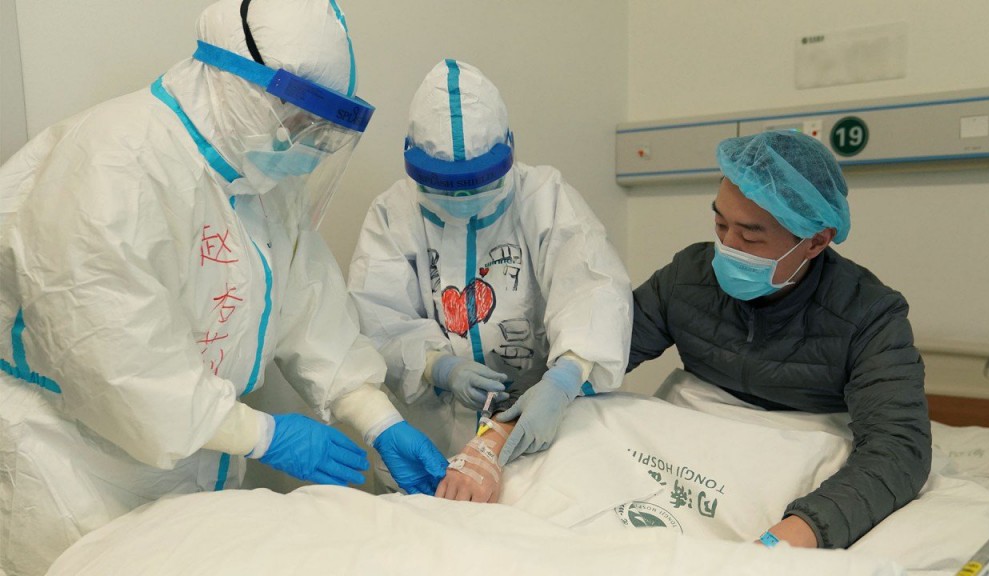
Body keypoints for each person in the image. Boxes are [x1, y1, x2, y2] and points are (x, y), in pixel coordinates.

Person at [0, 2, 448, 573]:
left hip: (196, 468)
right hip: (76, 473)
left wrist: (377, 417)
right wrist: (262, 435)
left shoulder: (259, 175)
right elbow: (117, 362)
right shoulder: (112, 162)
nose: (304, 141)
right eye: (297, 119)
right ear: (238, 82)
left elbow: (309, 308)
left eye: (316, 128)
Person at [629, 130, 931, 549]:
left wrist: (782, 543)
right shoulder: (687, 277)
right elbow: (603, 346)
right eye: (720, 224)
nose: (727, 247)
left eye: (750, 236)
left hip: (793, 471)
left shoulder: (868, 315)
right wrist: (562, 377)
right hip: (686, 452)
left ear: (816, 241)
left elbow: (898, 450)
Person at [348, 59, 632, 494]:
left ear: (508, 152)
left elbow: (594, 292)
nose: (463, 197)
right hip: (432, 438)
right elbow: (377, 317)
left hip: (535, 429)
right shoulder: (394, 214)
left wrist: (564, 379)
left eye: (478, 182)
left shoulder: (545, 199)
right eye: (445, 185)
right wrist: (438, 367)